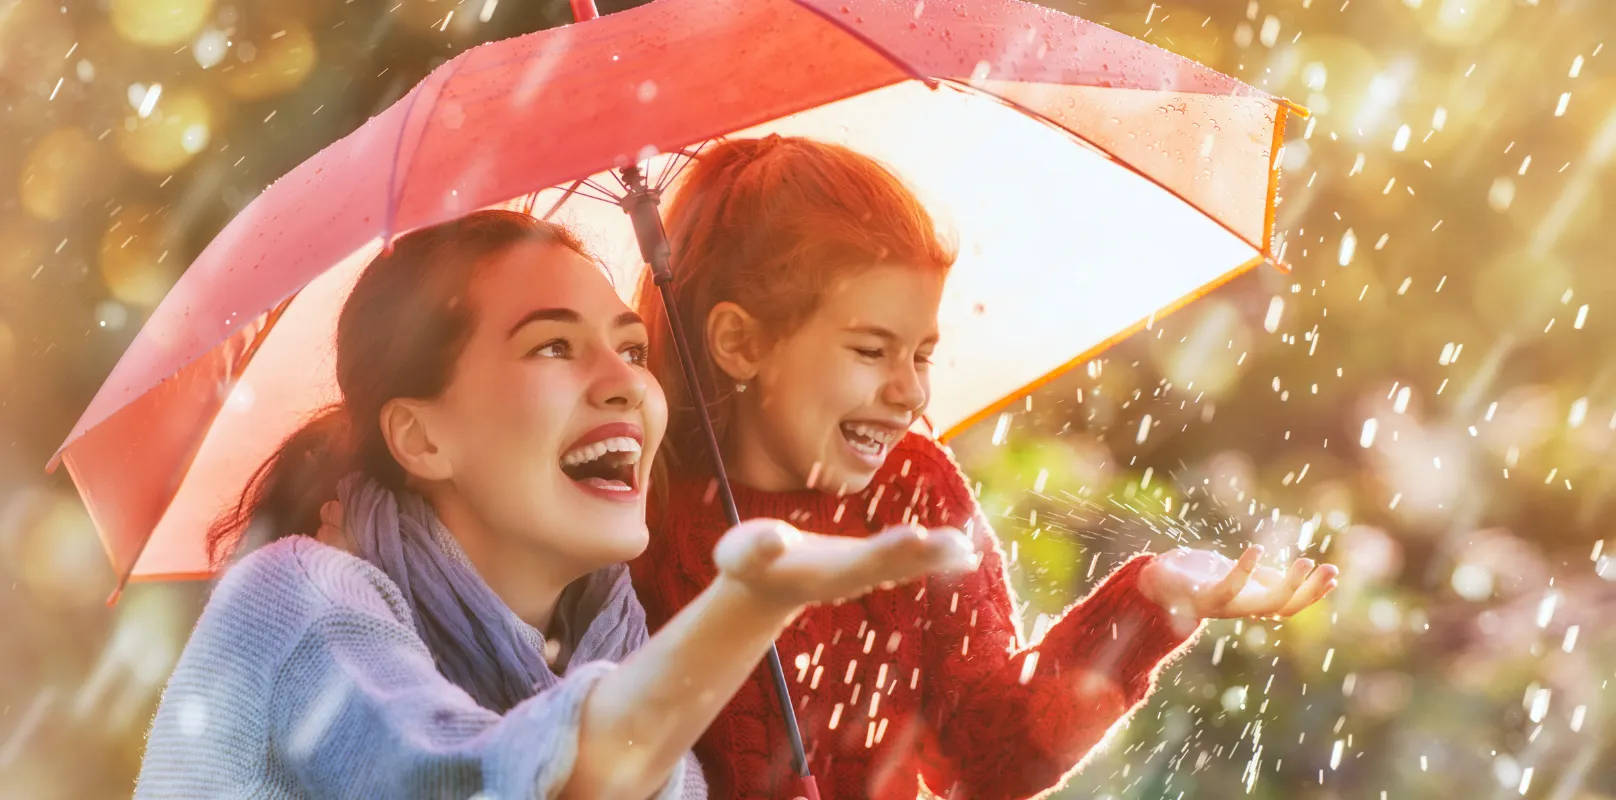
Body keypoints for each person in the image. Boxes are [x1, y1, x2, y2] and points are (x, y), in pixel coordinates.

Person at [135, 210, 977, 799]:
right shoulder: (299, 604)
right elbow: (482, 781)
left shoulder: (611, 643)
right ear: (422, 441)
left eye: (632, 348)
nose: (625, 385)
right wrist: (755, 602)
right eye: (553, 346)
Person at [629, 136, 1341, 799]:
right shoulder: (644, 525)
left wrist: (1151, 601)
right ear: (739, 343)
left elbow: (988, 751)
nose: (910, 391)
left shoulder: (913, 494)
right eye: (872, 352)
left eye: (922, 354)